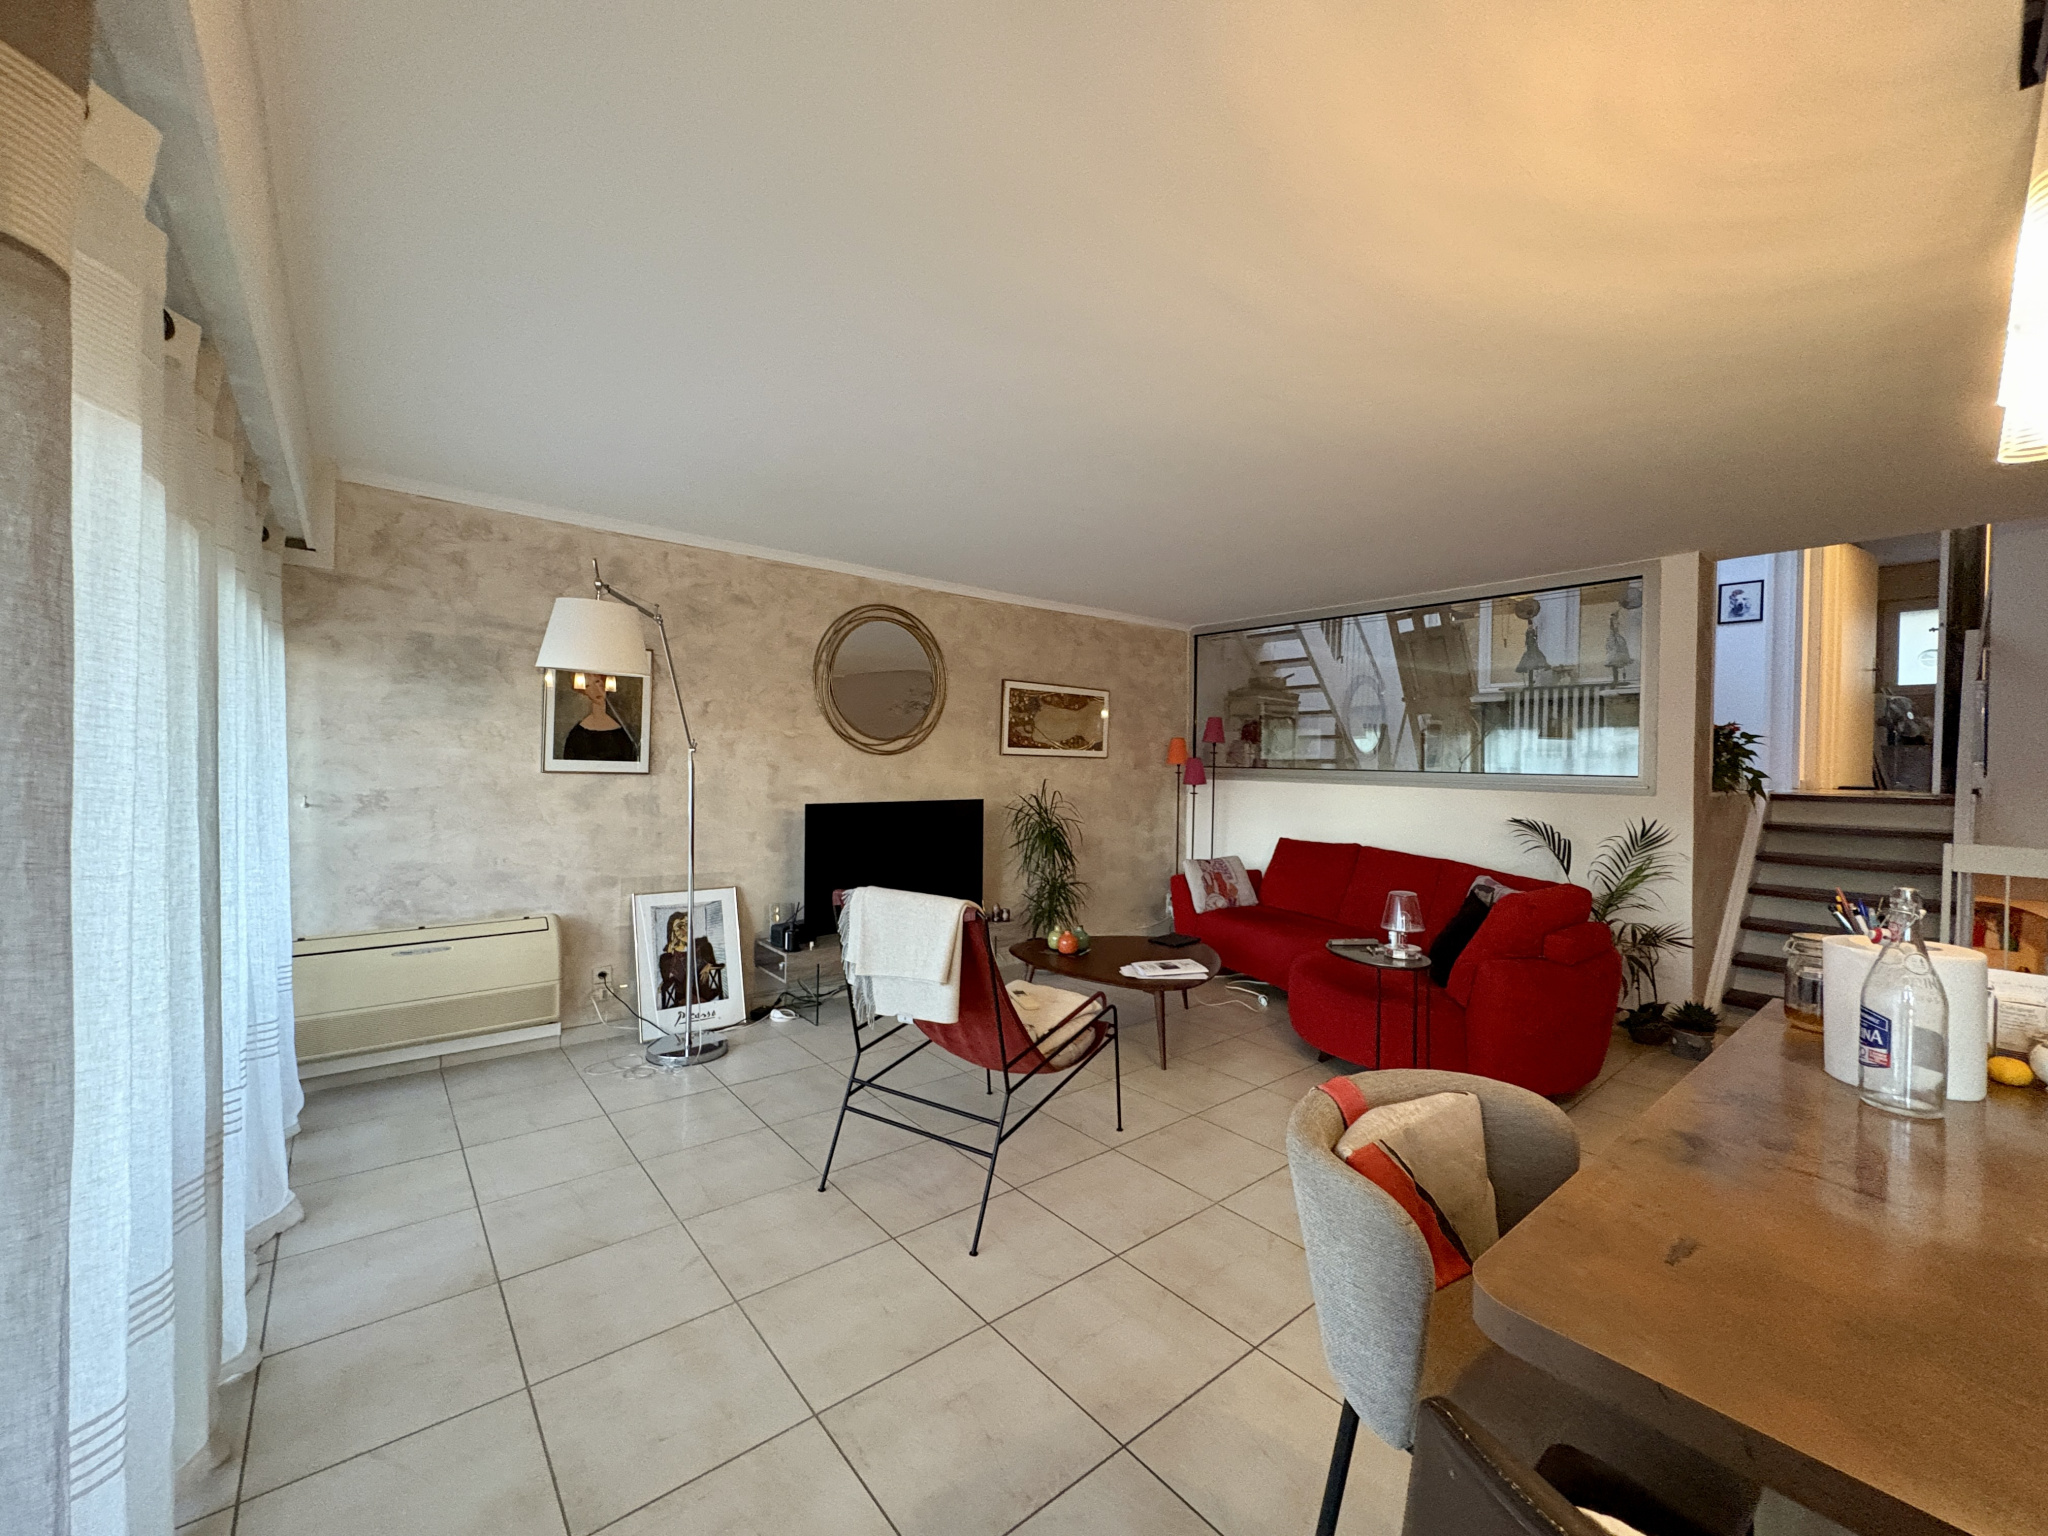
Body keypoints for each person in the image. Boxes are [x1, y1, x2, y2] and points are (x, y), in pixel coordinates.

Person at [560, 673, 638, 761]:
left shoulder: (623, 733)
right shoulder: (577, 734)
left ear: (605, 683)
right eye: (588, 686)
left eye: (597, 682)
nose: (595, 689)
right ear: (584, 692)